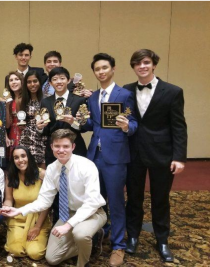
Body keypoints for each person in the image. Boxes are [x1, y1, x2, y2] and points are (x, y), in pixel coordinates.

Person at [2, 129, 107, 267]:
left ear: (73, 147)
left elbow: (92, 202)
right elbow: (44, 200)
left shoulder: (86, 166)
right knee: (52, 258)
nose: (61, 150)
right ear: (52, 147)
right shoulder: (52, 169)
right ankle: (89, 243)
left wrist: (68, 226)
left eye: (66, 146)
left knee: (80, 233)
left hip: (93, 212)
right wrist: (19, 211)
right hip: (69, 213)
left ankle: (83, 261)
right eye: (57, 146)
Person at [123, 49, 187, 262]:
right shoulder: (127, 90)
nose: (142, 67)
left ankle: (162, 240)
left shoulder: (173, 91)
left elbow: (179, 127)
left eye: (146, 62)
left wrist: (179, 157)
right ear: (133, 67)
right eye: (138, 64)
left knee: (161, 199)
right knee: (134, 198)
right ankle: (132, 236)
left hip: (162, 153)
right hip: (134, 153)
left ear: (154, 65)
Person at [80, 53, 137, 266]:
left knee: (115, 202)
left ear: (113, 69)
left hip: (115, 157)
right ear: (94, 72)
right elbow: (92, 125)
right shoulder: (93, 98)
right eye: (97, 69)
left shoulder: (125, 95)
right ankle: (98, 237)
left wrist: (126, 127)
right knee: (95, 200)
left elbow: (134, 124)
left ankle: (118, 246)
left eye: (105, 67)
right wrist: (75, 122)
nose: (101, 71)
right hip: (95, 156)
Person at [36, 67, 88, 226]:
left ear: (68, 80)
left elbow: (85, 126)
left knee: (77, 185)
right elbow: (45, 130)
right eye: (55, 79)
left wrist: (74, 122)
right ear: (50, 83)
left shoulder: (78, 100)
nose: (59, 82)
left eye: (62, 78)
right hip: (54, 151)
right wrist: (39, 127)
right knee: (57, 186)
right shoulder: (45, 101)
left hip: (75, 148)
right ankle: (59, 222)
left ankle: (79, 222)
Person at [3, 146, 51, 260]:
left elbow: (47, 203)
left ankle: (38, 240)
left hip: (38, 219)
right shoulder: (11, 176)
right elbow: (9, 199)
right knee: (16, 251)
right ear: (13, 161)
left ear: (29, 157)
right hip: (18, 217)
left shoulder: (42, 174)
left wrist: (38, 227)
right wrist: (6, 208)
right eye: (16, 158)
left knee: (35, 253)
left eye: (23, 156)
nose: (20, 160)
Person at [18, 70, 47, 169]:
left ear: (40, 82)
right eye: (29, 82)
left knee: (42, 169)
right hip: (26, 137)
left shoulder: (46, 99)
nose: (32, 84)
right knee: (26, 168)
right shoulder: (22, 100)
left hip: (42, 137)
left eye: (35, 81)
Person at [5, 71, 24, 159]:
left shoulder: (26, 98)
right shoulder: (10, 100)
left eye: (16, 79)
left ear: (21, 81)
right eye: (11, 80)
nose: (14, 82)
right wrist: (7, 106)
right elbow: (8, 125)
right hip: (12, 133)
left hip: (25, 133)